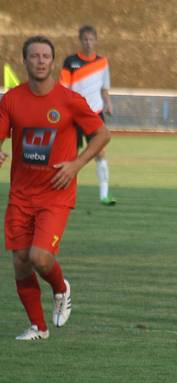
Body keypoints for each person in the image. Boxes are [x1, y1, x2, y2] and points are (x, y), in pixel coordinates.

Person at [0, 35, 111, 340]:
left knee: (40, 258)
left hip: (55, 193)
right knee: (20, 262)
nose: (40, 61)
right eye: (34, 56)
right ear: (25, 61)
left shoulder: (69, 100)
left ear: (53, 62)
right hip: (21, 195)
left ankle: (61, 288)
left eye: (45, 56)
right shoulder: (11, 99)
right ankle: (38, 327)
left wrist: (76, 164)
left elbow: (102, 134)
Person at [59, 25, 115, 206]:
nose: (88, 43)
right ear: (80, 40)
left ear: (95, 40)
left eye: (91, 39)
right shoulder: (70, 62)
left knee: (100, 152)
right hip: (73, 115)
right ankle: (66, 196)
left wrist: (108, 103)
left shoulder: (103, 62)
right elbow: (63, 88)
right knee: (70, 155)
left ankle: (104, 195)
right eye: (85, 39)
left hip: (95, 114)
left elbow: (104, 88)